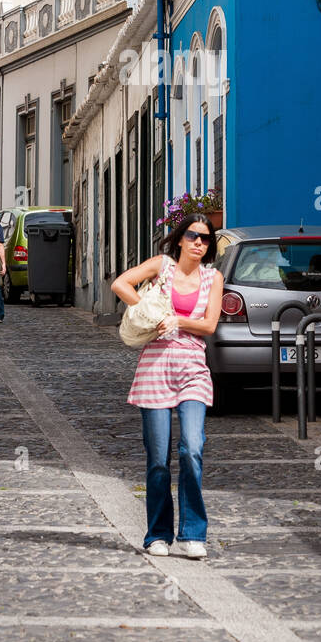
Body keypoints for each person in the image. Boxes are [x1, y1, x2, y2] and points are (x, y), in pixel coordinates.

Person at [111, 215, 223, 560]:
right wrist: (146, 310)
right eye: (192, 236)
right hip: (155, 367)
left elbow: (209, 324)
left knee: (192, 448)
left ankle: (192, 534)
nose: (198, 243)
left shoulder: (212, 277)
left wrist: (179, 320)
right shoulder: (163, 266)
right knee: (158, 458)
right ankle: (158, 534)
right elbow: (121, 284)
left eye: (205, 239)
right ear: (179, 239)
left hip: (192, 367)